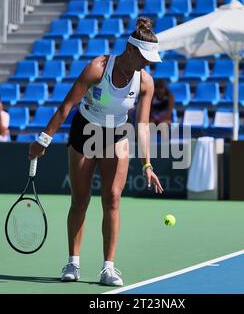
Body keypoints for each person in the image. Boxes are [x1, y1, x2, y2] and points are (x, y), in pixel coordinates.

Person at [28, 17, 164, 286]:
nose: (148, 63)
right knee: (80, 201)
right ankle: (73, 263)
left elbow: (143, 126)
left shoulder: (145, 82)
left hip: (116, 135)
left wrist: (148, 164)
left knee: (112, 199)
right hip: (85, 130)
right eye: (145, 57)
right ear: (131, 50)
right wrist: (43, 140)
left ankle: (108, 268)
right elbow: (66, 106)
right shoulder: (97, 68)